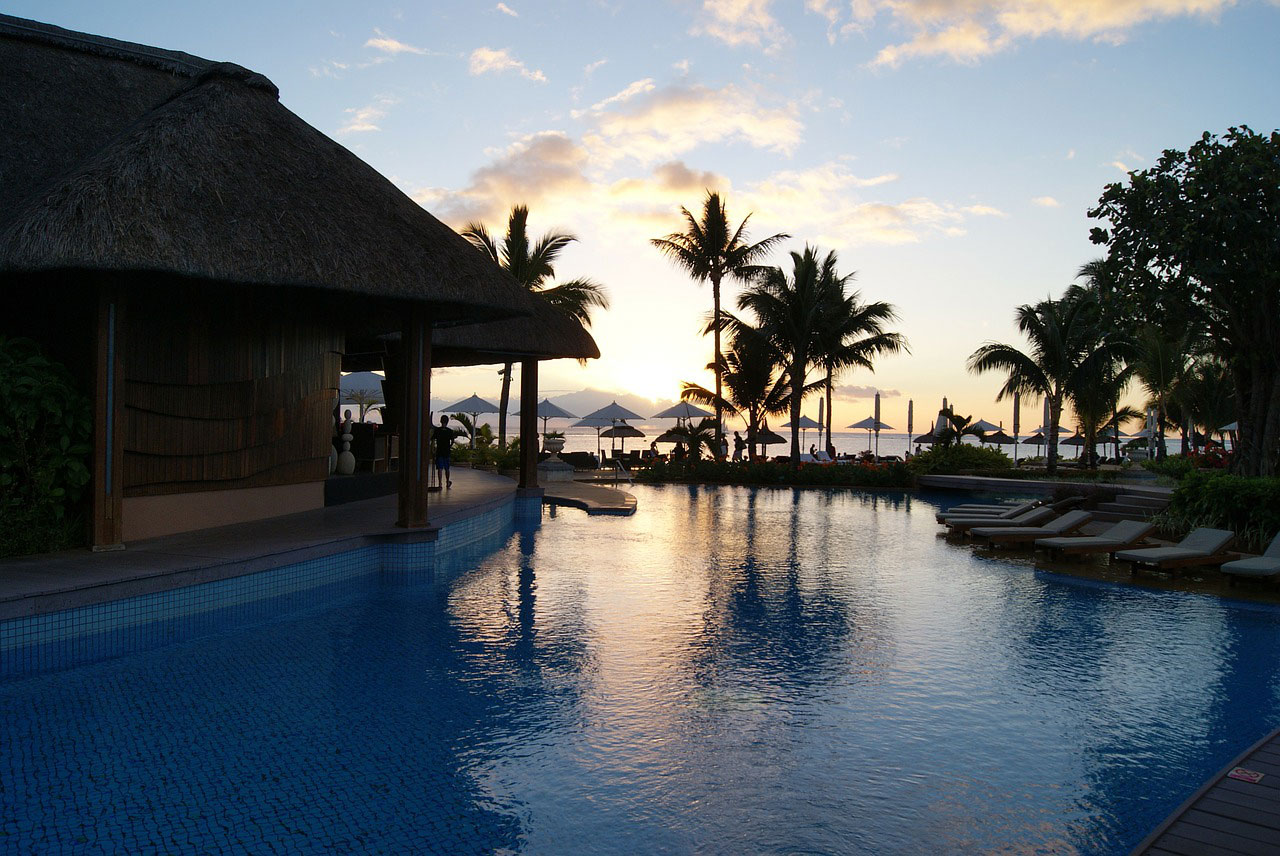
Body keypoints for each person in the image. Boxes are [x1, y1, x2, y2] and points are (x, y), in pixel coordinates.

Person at [432, 414, 456, 488]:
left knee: (439, 468)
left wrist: (433, 449)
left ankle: (440, 484)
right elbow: (452, 441)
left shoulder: (437, 430)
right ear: (447, 422)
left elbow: (432, 439)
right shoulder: (450, 431)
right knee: (447, 468)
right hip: (446, 451)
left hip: (439, 451)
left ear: (440, 421)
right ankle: (447, 482)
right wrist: (449, 446)